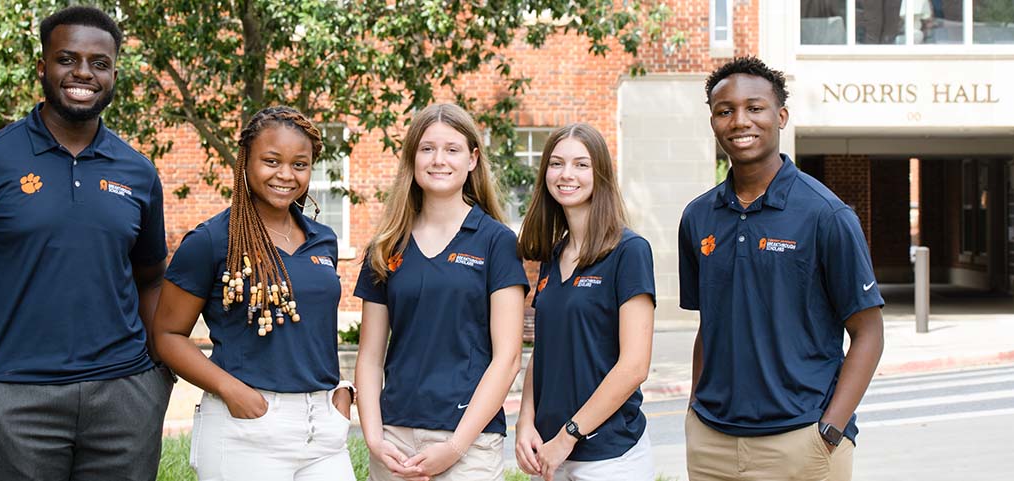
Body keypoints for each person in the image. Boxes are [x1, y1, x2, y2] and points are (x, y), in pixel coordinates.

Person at [0, 6, 172, 480]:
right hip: (18, 399)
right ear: (42, 67)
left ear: (114, 73)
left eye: (99, 63)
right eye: (67, 59)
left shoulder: (137, 172)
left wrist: (158, 374)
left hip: (125, 396)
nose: (83, 73)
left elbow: (151, 279)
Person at [679, 56, 885, 481]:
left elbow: (869, 332)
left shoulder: (826, 215)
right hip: (712, 444)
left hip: (801, 442)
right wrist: (694, 410)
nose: (740, 121)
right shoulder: (697, 217)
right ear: (714, 122)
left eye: (754, 108)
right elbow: (709, 324)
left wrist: (830, 428)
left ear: (781, 116)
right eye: (725, 111)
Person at [152, 106, 355, 480]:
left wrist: (341, 396)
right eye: (271, 161)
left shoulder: (322, 240)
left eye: (300, 164)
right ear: (245, 161)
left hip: (322, 428)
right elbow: (166, 335)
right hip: (247, 426)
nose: (285, 175)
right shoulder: (212, 240)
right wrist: (230, 389)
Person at [354, 103, 527, 481]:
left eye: (452, 149)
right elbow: (369, 357)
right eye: (427, 148)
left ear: (472, 159)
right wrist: (374, 438)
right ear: (413, 159)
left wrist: (454, 448)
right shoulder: (386, 246)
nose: (438, 160)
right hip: (394, 442)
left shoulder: (496, 242)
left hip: (469, 443)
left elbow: (508, 358)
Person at [514, 124, 656, 481]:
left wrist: (569, 435)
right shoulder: (554, 255)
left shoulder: (629, 251)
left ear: (600, 174)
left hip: (610, 457)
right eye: (557, 163)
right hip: (548, 453)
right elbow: (544, 352)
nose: (566, 175)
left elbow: (634, 366)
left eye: (581, 165)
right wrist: (525, 421)